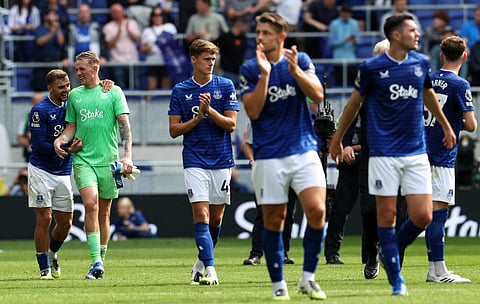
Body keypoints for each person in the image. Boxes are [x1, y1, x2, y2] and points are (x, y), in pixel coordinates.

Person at [329, 14, 456, 296]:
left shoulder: (421, 63)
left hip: (415, 152)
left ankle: (390, 254)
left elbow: (428, 96)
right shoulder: (372, 68)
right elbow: (352, 105)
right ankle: (397, 278)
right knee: (385, 216)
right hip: (383, 155)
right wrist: (337, 138)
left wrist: (446, 126)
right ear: (397, 35)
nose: (418, 34)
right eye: (413, 30)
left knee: (422, 216)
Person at [239, 12, 327, 300]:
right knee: (275, 220)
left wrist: (296, 73)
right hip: (268, 155)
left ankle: (308, 277)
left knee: (317, 211)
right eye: (258, 32)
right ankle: (279, 285)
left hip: (303, 148)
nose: (260, 37)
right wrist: (265, 75)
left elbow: (318, 95)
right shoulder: (250, 68)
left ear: (280, 36)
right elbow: (252, 111)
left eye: (265, 32)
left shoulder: (299, 60)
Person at [53, 50, 134, 280]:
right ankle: (95, 260)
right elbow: (70, 126)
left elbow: (124, 126)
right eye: (76, 69)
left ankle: (100, 262)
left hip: (109, 162)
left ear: (95, 69)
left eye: (81, 69)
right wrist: (61, 140)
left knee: (105, 211)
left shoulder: (113, 92)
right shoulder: (75, 96)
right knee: (91, 203)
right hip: (83, 160)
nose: (77, 73)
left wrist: (127, 156)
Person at [168, 39, 239, 286]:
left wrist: (210, 112)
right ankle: (211, 270)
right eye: (206, 59)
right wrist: (197, 118)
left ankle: (200, 263)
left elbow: (231, 125)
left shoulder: (226, 85)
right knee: (201, 214)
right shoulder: (180, 90)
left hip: (221, 159)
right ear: (194, 59)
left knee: (216, 220)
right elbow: (174, 130)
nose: (211, 63)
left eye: (213, 59)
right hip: (194, 159)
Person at [424, 35, 476, 283]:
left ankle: (433, 269)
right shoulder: (460, 85)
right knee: (438, 212)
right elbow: (471, 124)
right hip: (442, 155)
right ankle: (440, 272)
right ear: (464, 56)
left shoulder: (427, 79)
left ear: (441, 55)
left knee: (423, 213)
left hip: (419, 153)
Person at [27, 69, 80, 279]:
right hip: (41, 169)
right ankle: (44, 268)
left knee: (66, 223)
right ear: (50, 88)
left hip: (63, 171)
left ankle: (53, 252)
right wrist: (65, 150)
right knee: (44, 219)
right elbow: (38, 145)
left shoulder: (73, 105)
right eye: (61, 87)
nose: (66, 90)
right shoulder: (40, 110)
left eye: (67, 85)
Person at [241, 122, 296, 266]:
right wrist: (252, 160)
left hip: (289, 169)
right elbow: (247, 144)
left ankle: (283, 253)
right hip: (265, 169)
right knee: (262, 214)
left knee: (288, 213)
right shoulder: (258, 116)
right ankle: (256, 254)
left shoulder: (295, 115)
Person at [66, 3, 108, 88]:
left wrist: (103, 56)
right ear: (78, 14)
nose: (84, 14)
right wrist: (64, 57)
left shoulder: (96, 27)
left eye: (86, 12)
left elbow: (102, 43)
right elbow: (66, 44)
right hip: (75, 64)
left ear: (89, 14)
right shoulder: (71, 28)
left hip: (92, 64)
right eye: (81, 12)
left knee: (93, 88)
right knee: (75, 89)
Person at [102, 3, 141, 89]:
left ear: (123, 12)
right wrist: (118, 32)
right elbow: (109, 44)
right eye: (115, 12)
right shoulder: (108, 27)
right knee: (120, 88)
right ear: (111, 14)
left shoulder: (131, 23)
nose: (117, 14)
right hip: (117, 61)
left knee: (135, 85)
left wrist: (128, 30)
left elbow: (138, 39)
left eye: (119, 11)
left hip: (132, 60)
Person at [139, 5, 177, 92]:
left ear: (163, 16)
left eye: (160, 14)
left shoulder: (170, 27)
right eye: (155, 15)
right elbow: (142, 48)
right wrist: (149, 48)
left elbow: (173, 43)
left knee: (166, 86)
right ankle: (148, 104)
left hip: (167, 61)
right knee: (151, 86)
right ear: (151, 17)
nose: (158, 17)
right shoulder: (147, 31)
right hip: (152, 61)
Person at [32, 8, 68, 92]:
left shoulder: (59, 29)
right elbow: (39, 41)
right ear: (45, 17)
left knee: (56, 90)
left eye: (55, 15)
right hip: (41, 63)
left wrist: (57, 29)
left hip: (55, 63)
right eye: (51, 15)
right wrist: (51, 32)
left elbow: (61, 42)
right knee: (40, 89)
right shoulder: (40, 28)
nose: (54, 17)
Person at [327, 4, 360, 87]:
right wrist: (344, 40)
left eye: (348, 13)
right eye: (345, 13)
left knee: (357, 84)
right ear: (341, 13)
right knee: (339, 83)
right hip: (338, 59)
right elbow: (331, 42)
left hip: (351, 59)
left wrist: (354, 40)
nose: (346, 15)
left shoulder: (355, 23)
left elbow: (358, 41)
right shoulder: (334, 24)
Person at [215, 16, 250, 88]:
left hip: (239, 71)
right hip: (227, 72)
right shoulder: (225, 37)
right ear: (240, 24)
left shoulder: (243, 37)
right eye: (246, 25)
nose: (248, 28)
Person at [17, 92, 44, 162]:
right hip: (31, 155)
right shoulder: (27, 117)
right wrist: (30, 145)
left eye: (40, 101)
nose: (38, 104)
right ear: (32, 102)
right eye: (36, 101)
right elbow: (20, 137)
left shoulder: (50, 116)